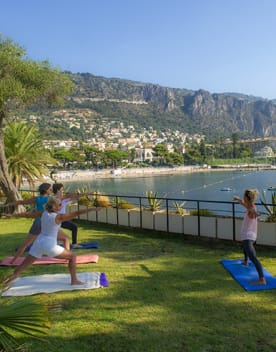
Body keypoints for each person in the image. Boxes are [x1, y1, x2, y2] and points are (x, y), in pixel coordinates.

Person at [3, 196, 99, 290]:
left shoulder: (43, 213)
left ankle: (6, 283)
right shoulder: (58, 217)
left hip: (38, 243)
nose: (61, 206)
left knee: (23, 266)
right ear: (53, 207)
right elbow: (76, 213)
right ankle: (74, 280)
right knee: (72, 256)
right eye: (59, 204)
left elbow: (27, 215)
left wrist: (12, 215)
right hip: (49, 245)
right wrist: (92, 209)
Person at [5, 183, 69, 264]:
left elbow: (21, 202)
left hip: (38, 223)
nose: (51, 191)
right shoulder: (50, 199)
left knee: (26, 244)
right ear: (46, 190)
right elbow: (61, 200)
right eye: (50, 189)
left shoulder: (37, 199)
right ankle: (68, 258)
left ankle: (12, 261)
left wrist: (9, 204)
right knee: (65, 238)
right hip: (47, 224)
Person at [233, 189, 266, 285]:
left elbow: (253, 212)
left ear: (247, 198)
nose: (243, 197)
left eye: (243, 196)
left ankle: (262, 279)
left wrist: (256, 213)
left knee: (254, 258)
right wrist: (238, 199)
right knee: (244, 247)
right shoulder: (250, 206)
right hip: (246, 235)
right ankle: (246, 261)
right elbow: (244, 204)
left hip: (248, 236)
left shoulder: (252, 209)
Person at [52, 183, 82, 248]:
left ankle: (74, 244)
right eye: (61, 190)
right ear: (58, 190)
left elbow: (73, 197)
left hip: (62, 219)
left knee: (74, 227)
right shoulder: (53, 199)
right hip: (56, 219)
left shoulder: (64, 198)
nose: (63, 191)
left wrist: (80, 194)